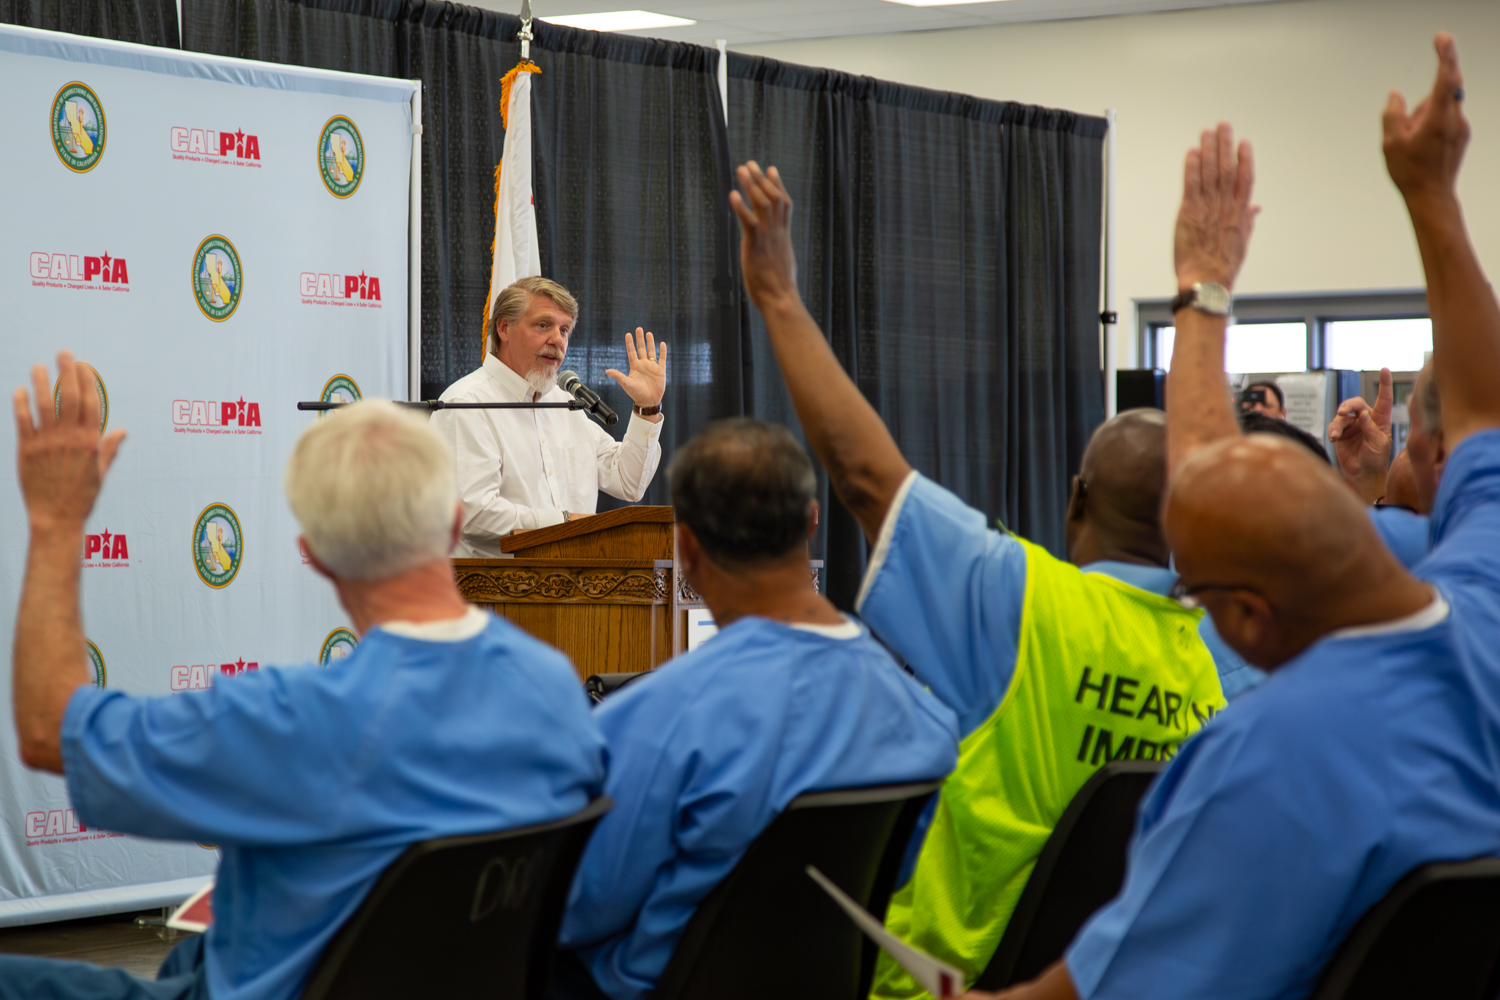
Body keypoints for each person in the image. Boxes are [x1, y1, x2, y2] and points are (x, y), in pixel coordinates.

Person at [965, 36, 1500, 1000]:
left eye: (1196, 588)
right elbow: (1485, 410)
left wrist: (1203, 286)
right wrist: (1434, 198)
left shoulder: (1260, 763)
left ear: (1246, 617)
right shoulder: (1484, 587)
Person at [728, 161, 1230, 1000]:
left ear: (1076, 499)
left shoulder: (1024, 600)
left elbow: (862, 475)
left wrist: (778, 294)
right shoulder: (1215, 663)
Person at [4, 367, 605, 1000]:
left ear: (314, 552)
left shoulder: (287, 720)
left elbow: (50, 729)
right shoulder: (553, 687)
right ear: (456, 523)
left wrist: (56, 522)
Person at [549, 418, 959, 1000]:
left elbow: (573, 908)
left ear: (685, 548)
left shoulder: (651, 721)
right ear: (812, 521)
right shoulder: (925, 720)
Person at [430, 276, 668, 556]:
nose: (557, 339)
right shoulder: (466, 403)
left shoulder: (565, 403)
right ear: (504, 328)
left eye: (565, 329)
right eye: (543, 325)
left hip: (575, 585)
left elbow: (628, 482)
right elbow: (473, 511)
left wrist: (647, 407)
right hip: (493, 591)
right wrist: (564, 523)